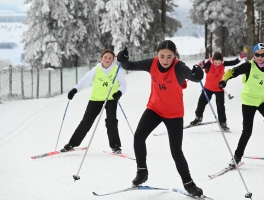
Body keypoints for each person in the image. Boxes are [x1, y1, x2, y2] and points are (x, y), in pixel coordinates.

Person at [117, 40, 205, 197]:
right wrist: (122, 60)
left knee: (176, 151)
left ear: (174, 56)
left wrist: (197, 75)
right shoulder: (152, 63)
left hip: (174, 114)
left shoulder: (178, 67)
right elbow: (129, 66)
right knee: (138, 137)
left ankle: (189, 184)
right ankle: (142, 171)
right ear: (157, 54)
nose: (165, 60)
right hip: (155, 109)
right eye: (162, 56)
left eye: (169, 57)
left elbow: (190, 76)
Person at [218, 42, 264, 166]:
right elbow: (232, 72)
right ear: (254, 54)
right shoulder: (248, 66)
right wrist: (223, 80)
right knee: (247, 131)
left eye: (262, 54)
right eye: (257, 54)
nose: (260, 57)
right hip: (249, 101)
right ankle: (237, 157)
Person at [62, 49, 127, 154]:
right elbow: (84, 81)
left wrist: (119, 93)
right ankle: (72, 143)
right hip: (96, 99)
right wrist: (74, 90)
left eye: (110, 58)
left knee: (111, 121)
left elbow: (123, 84)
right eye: (105, 57)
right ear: (101, 58)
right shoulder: (96, 69)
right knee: (86, 122)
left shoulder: (116, 69)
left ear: (113, 59)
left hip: (111, 99)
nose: (107, 59)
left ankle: (115, 145)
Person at [190, 50, 246, 132]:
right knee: (201, 103)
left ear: (221, 61)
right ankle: (198, 118)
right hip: (208, 88)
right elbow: (201, 67)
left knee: (220, 106)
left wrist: (240, 58)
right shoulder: (209, 63)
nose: (217, 64)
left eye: (219, 63)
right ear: (213, 60)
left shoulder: (223, 64)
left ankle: (223, 123)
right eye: (215, 62)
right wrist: (200, 65)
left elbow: (234, 62)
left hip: (219, 89)